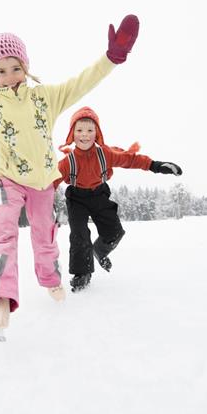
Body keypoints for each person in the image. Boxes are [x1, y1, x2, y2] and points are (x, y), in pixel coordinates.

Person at [0, 14, 140, 341]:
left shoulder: (44, 97)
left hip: (43, 183)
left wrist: (111, 58)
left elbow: (80, 83)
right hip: (9, 180)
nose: (9, 76)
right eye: (0, 71)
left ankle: (50, 279)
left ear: (26, 66)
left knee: (44, 239)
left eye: (15, 67)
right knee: (2, 231)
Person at [55, 106, 182, 291]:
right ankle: (82, 273)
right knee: (79, 235)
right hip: (77, 198)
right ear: (72, 134)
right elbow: (49, 182)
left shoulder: (105, 154)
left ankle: (99, 250)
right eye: (79, 130)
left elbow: (130, 159)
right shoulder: (67, 162)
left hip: (99, 194)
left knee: (114, 232)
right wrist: (35, 199)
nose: (85, 135)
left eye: (90, 130)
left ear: (97, 133)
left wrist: (156, 165)